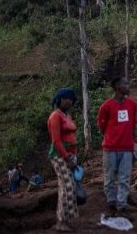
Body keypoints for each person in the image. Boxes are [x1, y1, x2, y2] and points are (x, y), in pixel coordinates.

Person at [97, 77, 137, 219]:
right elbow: (101, 126)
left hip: (127, 148)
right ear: (117, 87)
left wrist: (131, 143)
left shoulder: (132, 104)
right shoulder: (106, 106)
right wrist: (112, 137)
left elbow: (133, 125)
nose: (128, 85)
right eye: (125, 84)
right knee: (109, 177)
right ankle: (111, 204)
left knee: (125, 178)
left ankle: (121, 206)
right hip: (110, 148)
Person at [47, 88, 79, 232]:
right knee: (67, 187)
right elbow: (56, 141)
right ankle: (61, 221)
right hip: (60, 156)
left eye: (71, 99)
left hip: (70, 155)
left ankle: (67, 219)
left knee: (68, 186)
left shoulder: (67, 115)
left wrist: (73, 157)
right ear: (59, 99)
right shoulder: (55, 116)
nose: (69, 101)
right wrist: (67, 158)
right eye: (65, 98)